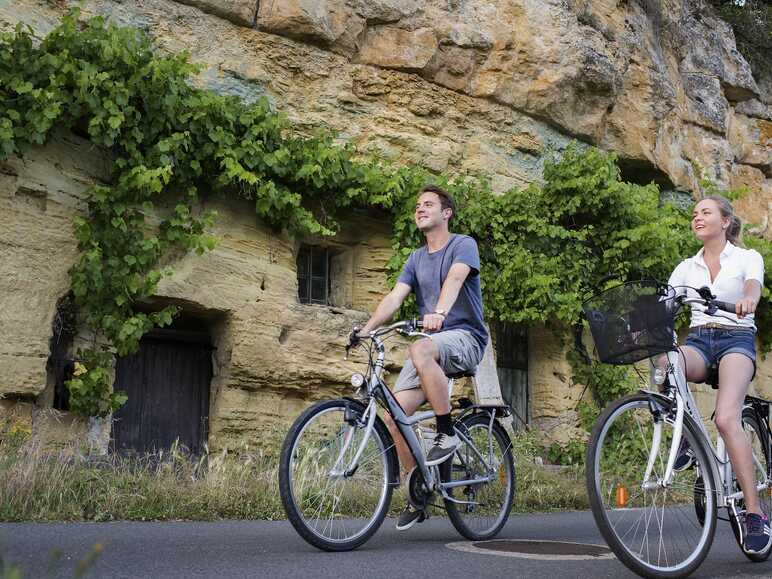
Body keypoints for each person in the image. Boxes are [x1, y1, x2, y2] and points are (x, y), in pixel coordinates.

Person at [352, 184, 488, 531]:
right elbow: (395, 298)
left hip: (465, 338)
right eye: (417, 205)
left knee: (420, 346)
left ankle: (447, 433)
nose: (420, 209)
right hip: (433, 342)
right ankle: (420, 491)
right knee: (394, 414)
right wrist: (366, 329)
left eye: (428, 204)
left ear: (447, 213)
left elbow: (456, 279)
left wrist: (439, 312)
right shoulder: (415, 259)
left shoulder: (463, 245)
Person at [668, 194, 767, 553]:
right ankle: (684, 438)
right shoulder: (686, 267)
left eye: (705, 212)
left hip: (736, 338)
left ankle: (755, 514)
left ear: (725, 221)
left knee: (727, 419)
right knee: (667, 361)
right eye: (694, 213)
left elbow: (753, 284)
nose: (697, 217)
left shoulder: (746, 257)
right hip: (699, 339)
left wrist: (749, 300)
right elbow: (665, 301)